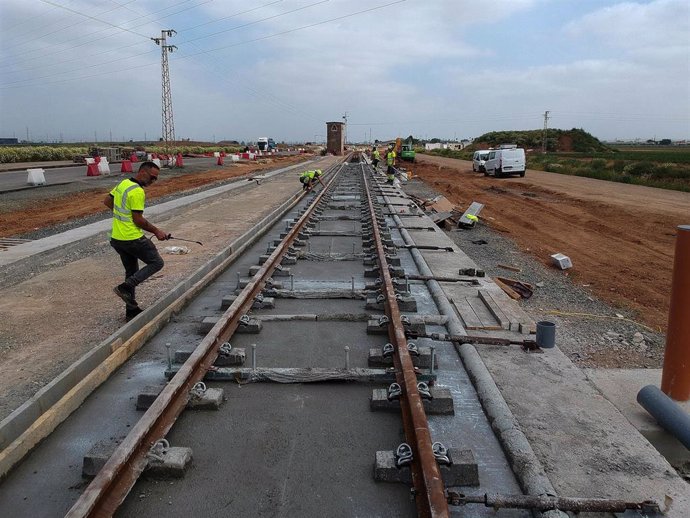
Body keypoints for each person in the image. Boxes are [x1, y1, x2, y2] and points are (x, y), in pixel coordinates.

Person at [104, 161, 168, 321]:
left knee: (131, 272)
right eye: (152, 178)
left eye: (155, 179)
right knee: (156, 263)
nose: (153, 181)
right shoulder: (138, 191)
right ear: (143, 172)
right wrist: (157, 231)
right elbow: (138, 220)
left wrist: (122, 216)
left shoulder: (124, 183)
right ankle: (125, 287)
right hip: (131, 238)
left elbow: (107, 201)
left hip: (117, 238)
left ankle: (131, 310)